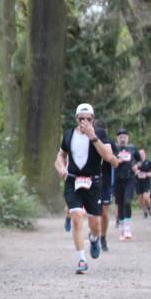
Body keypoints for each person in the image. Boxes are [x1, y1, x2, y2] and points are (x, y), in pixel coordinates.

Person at [54, 103, 118, 274]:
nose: (84, 122)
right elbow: (61, 155)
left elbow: (109, 157)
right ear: (76, 119)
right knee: (76, 216)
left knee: (95, 224)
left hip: (94, 182)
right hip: (73, 181)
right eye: (81, 119)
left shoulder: (101, 134)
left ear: (93, 119)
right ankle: (82, 259)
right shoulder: (68, 135)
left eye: (88, 119)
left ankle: (95, 238)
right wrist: (61, 167)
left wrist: (93, 137)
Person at [112, 128, 142, 240]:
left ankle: (128, 229)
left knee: (127, 202)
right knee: (120, 204)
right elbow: (109, 160)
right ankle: (122, 229)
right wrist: (116, 161)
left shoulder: (132, 148)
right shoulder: (114, 148)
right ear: (117, 138)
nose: (122, 138)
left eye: (124, 136)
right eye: (120, 137)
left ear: (127, 138)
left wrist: (137, 166)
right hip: (118, 179)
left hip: (130, 179)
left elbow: (140, 160)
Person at [94, 118, 115, 251]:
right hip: (91, 181)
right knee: (94, 213)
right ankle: (95, 235)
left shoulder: (110, 142)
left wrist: (109, 155)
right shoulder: (87, 142)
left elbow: (115, 161)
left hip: (105, 181)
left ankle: (103, 237)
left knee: (104, 213)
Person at [136, 148, 151, 217]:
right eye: (140, 154)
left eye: (142, 154)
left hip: (146, 182)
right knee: (140, 198)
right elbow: (132, 170)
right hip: (138, 182)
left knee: (146, 197)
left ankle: (149, 207)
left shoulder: (149, 162)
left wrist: (150, 173)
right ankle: (145, 211)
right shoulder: (136, 163)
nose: (141, 155)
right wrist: (136, 172)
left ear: (145, 154)